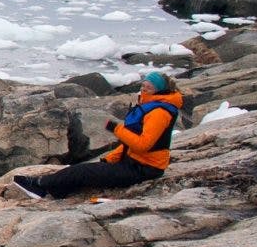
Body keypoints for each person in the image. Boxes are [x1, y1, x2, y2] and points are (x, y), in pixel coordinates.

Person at [14, 71, 184, 200]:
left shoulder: (160, 112)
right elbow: (130, 145)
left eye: (148, 88)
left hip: (144, 170)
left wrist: (117, 129)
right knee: (87, 171)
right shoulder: (152, 107)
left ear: (159, 91)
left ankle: (40, 186)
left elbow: (143, 144)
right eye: (142, 86)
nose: (143, 90)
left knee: (83, 171)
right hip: (135, 162)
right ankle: (57, 190)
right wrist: (111, 158)